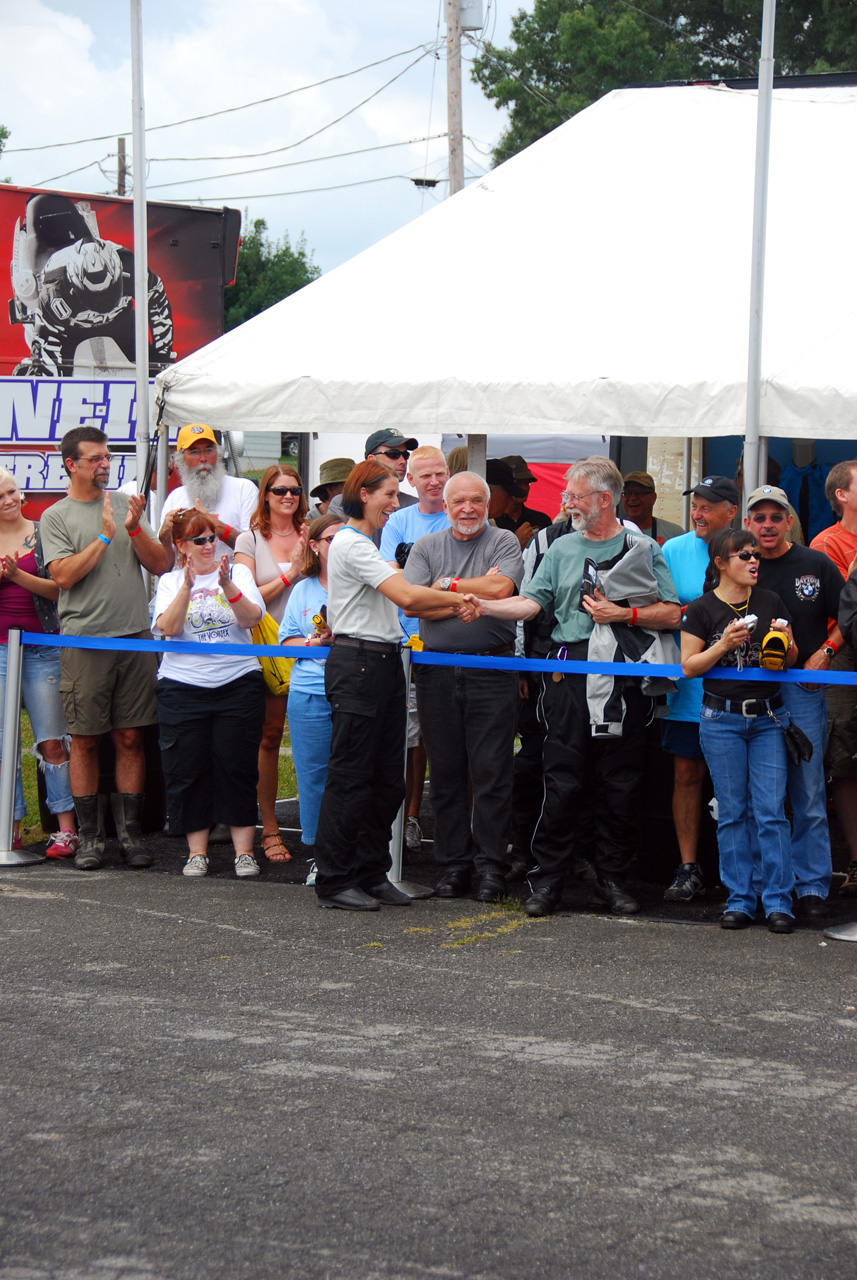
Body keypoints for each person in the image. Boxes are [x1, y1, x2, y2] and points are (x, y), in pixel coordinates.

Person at [465, 457, 681, 918]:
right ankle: (547, 880)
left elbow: (672, 612)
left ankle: (613, 879)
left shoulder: (643, 546)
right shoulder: (560, 549)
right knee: (560, 779)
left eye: (574, 496)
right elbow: (530, 604)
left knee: (620, 784)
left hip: (622, 675)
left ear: (604, 499)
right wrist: (484, 606)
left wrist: (624, 615)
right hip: (568, 674)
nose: (565, 503)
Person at [313, 459, 475, 912]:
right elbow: (407, 596)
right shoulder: (350, 544)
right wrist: (460, 597)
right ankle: (334, 879)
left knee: (387, 780)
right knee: (350, 778)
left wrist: (445, 594)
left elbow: (406, 590)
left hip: (381, 664)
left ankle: (370, 873)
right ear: (363, 495)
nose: (393, 503)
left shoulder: (365, 546)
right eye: (388, 494)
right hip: (359, 664)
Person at [40, 427, 168, 871]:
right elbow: (63, 578)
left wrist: (132, 529)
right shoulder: (56, 516)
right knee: (87, 741)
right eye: (94, 458)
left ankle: (131, 836)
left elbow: (161, 564)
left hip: (134, 637)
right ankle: (91, 838)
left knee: (131, 737)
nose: (104, 465)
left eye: (106, 457)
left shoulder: (123, 506)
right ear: (70, 464)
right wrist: (103, 539)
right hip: (85, 642)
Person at [403, 472, 523, 900]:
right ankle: (453, 864)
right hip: (436, 672)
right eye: (459, 502)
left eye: (476, 500)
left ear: (487, 504)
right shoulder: (426, 546)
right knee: (448, 772)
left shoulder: (504, 541)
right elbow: (415, 602)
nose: (467, 508)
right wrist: (471, 599)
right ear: (446, 506)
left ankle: (491, 866)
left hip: (492, 671)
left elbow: (502, 588)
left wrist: (447, 587)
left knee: (492, 772)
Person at [681, 527, 797, 933]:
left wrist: (784, 643)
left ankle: (779, 901)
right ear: (720, 564)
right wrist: (724, 644)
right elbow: (689, 666)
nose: (753, 561)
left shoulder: (770, 601)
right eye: (743, 555)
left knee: (771, 812)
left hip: (767, 718)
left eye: (756, 556)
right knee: (731, 813)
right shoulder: (700, 609)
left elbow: (790, 656)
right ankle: (740, 899)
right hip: (720, 719)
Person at [745, 485, 843, 918]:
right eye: (759, 517)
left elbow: (849, 614)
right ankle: (766, 887)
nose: (767, 525)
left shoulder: (815, 562)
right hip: (750, 691)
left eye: (775, 517)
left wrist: (827, 651)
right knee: (760, 797)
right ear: (747, 523)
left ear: (789, 521)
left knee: (807, 791)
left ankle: (813, 886)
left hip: (801, 689)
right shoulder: (739, 565)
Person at [153, 509, 266, 879]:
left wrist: (227, 585)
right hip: (183, 686)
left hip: (237, 682)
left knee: (237, 766)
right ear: (181, 546)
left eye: (211, 537)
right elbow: (167, 628)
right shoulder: (169, 582)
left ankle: (244, 852)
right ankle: (196, 853)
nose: (208, 545)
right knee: (187, 768)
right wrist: (187, 585)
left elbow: (251, 618)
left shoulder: (240, 572)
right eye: (198, 540)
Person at [660, 476, 739, 903]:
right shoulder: (673, 550)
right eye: (695, 505)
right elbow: (667, 611)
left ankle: (738, 870)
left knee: (735, 782)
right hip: (689, 686)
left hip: (741, 689)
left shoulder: (747, 550)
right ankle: (688, 866)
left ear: (731, 510)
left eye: (708, 506)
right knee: (687, 775)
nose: (697, 513)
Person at [234, 464, 309, 864]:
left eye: (295, 490)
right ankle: (270, 826)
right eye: (280, 490)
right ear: (266, 494)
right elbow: (247, 598)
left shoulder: (310, 532)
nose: (288, 497)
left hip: (311, 647)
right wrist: (291, 574)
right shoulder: (249, 539)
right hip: (267, 650)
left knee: (316, 740)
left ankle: (319, 825)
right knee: (269, 737)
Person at [0, 468, 77, 857]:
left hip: (42, 646)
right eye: (0, 496)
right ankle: (7, 829)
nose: (9, 500)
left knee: (52, 740)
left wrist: (16, 576)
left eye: (12, 491)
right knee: (3, 745)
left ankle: (66, 829)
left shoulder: (42, 532)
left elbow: (59, 589)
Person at [379, 445, 451, 856]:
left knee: (440, 737)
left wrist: (421, 584)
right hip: (405, 640)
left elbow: (474, 581)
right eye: (425, 475)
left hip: (447, 638)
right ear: (411, 480)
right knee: (407, 739)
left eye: (440, 473)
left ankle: (445, 821)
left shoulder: (461, 513)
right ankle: (406, 818)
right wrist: (443, 584)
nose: (434, 482)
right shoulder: (397, 521)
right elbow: (395, 582)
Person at [279, 514, 344, 877]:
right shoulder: (302, 589)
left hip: (352, 691)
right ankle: (321, 856)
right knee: (313, 776)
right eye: (331, 538)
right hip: (309, 692)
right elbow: (287, 640)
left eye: (344, 537)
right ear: (315, 547)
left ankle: (357, 853)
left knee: (352, 775)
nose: (338, 544)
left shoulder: (363, 584)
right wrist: (313, 642)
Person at [810, 460, 857, 899]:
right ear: (842, 494)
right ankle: (856, 862)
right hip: (843, 657)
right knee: (845, 757)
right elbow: (849, 608)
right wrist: (828, 649)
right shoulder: (828, 543)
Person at [159, 424, 258, 567]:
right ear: (180, 459)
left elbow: (256, 549)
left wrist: (217, 527)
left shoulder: (244, 489)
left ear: (218, 454)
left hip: (232, 583)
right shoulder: (175, 498)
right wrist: (165, 541)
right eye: (194, 452)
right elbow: (167, 565)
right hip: (188, 584)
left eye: (209, 450)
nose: (203, 458)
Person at [327, 429, 419, 544]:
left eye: (405, 455)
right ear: (371, 460)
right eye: (393, 454)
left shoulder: (415, 506)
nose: (403, 461)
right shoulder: (342, 503)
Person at [496, 455, 552, 548]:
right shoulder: (489, 522)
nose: (524, 488)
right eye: (517, 483)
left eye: (526, 482)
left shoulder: (542, 520)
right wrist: (516, 542)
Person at [621, 471, 685, 545]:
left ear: (653, 498)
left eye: (639, 492)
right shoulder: (611, 534)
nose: (632, 497)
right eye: (627, 492)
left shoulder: (674, 535)